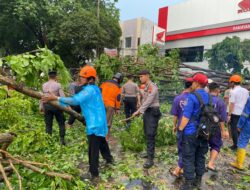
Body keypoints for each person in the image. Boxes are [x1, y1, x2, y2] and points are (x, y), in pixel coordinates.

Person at [42, 66, 113, 181]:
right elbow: (76, 102)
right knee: (101, 142)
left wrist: (55, 97)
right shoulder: (95, 88)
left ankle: (93, 173)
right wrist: (59, 101)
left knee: (93, 149)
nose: (80, 79)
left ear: (90, 79)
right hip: (100, 122)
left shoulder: (89, 90)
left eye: (82, 77)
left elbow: (75, 101)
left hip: (94, 124)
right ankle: (109, 160)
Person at [178, 73, 209, 190]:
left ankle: (188, 183)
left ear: (196, 83)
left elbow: (186, 116)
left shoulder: (192, 96)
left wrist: (180, 129)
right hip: (205, 132)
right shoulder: (209, 97)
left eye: (193, 82)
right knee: (200, 156)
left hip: (191, 132)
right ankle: (198, 180)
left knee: (188, 156)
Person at [133, 70, 161, 169]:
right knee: (146, 132)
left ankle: (150, 159)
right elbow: (144, 98)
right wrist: (140, 107)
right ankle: (149, 153)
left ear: (147, 76)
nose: (140, 78)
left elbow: (149, 100)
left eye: (141, 76)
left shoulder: (153, 87)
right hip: (148, 112)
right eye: (139, 77)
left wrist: (139, 111)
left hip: (153, 111)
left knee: (150, 134)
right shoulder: (146, 87)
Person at [170, 78, 193, 177]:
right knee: (188, 149)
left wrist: (174, 126)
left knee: (181, 148)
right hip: (192, 129)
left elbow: (175, 115)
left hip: (181, 127)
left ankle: (178, 169)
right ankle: (182, 168)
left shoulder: (178, 98)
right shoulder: (194, 98)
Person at [207, 82, 229, 172]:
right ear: (217, 90)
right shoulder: (221, 102)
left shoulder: (204, 99)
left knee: (201, 145)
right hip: (215, 127)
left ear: (209, 90)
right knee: (216, 145)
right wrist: (223, 131)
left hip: (202, 127)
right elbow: (222, 119)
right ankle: (211, 163)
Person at [40, 71, 66, 145]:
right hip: (57, 106)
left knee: (48, 124)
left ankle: (48, 141)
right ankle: (62, 140)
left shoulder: (44, 85)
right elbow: (62, 97)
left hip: (47, 106)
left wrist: (41, 106)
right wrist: (66, 106)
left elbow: (41, 97)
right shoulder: (58, 85)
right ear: (56, 77)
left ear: (48, 77)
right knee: (61, 123)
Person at [228, 75, 249, 150]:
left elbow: (232, 104)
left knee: (233, 129)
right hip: (243, 113)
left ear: (233, 83)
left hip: (235, 112)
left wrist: (229, 115)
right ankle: (240, 145)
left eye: (230, 82)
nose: (230, 84)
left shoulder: (233, 91)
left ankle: (235, 146)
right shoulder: (246, 91)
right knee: (239, 128)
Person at [100, 73, 123, 140]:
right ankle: (106, 139)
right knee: (108, 123)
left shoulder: (104, 83)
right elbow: (118, 99)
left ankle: (98, 137)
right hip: (110, 105)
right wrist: (118, 108)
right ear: (120, 79)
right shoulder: (118, 87)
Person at [230, 97, 250, 170]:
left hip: (248, 124)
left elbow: (245, 113)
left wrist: (239, 125)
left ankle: (239, 164)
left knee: (242, 142)